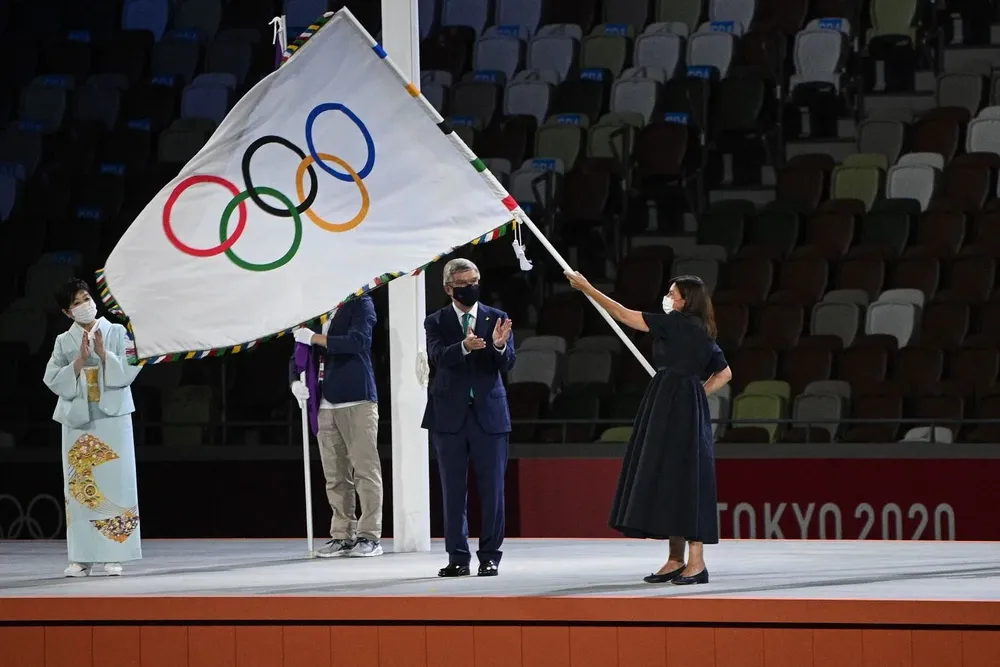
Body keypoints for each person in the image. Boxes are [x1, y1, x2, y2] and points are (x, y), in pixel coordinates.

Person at [565, 271, 732, 586]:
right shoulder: (704, 332)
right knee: (678, 475)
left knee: (680, 477)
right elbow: (725, 373)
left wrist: (588, 288)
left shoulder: (675, 324)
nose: (668, 297)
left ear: (686, 300)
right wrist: (697, 393)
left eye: (672, 293)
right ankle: (676, 560)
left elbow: (622, 314)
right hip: (683, 403)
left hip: (670, 402)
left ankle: (694, 563)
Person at [43, 279, 143, 577]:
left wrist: (103, 353)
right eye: (76, 302)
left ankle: (116, 554)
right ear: (67, 311)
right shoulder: (64, 341)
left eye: (86, 297)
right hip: (78, 418)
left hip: (113, 415)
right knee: (80, 486)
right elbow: (51, 378)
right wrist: (80, 360)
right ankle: (81, 556)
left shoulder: (115, 331)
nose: (84, 304)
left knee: (117, 482)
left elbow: (130, 367)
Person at [422, 258, 515, 577]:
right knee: (452, 490)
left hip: (490, 416)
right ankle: (457, 558)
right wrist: (463, 346)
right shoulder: (436, 321)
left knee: (492, 490)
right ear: (449, 289)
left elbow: (506, 364)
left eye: (475, 281)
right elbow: (437, 357)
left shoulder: (497, 317)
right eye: (464, 285)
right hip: (448, 417)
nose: (471, 288)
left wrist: (500, 347)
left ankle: (490, 556)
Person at [289, 295, 383, 558]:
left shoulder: (360, 304)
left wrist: (316, 338)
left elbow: (358, 342)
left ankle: (369, 536)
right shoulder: (314, 310)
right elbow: (298, 352)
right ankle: (342, 535)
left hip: (356, 398)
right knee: (335, 475)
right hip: (322, 402)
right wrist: (294, 382)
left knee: (365, 470)